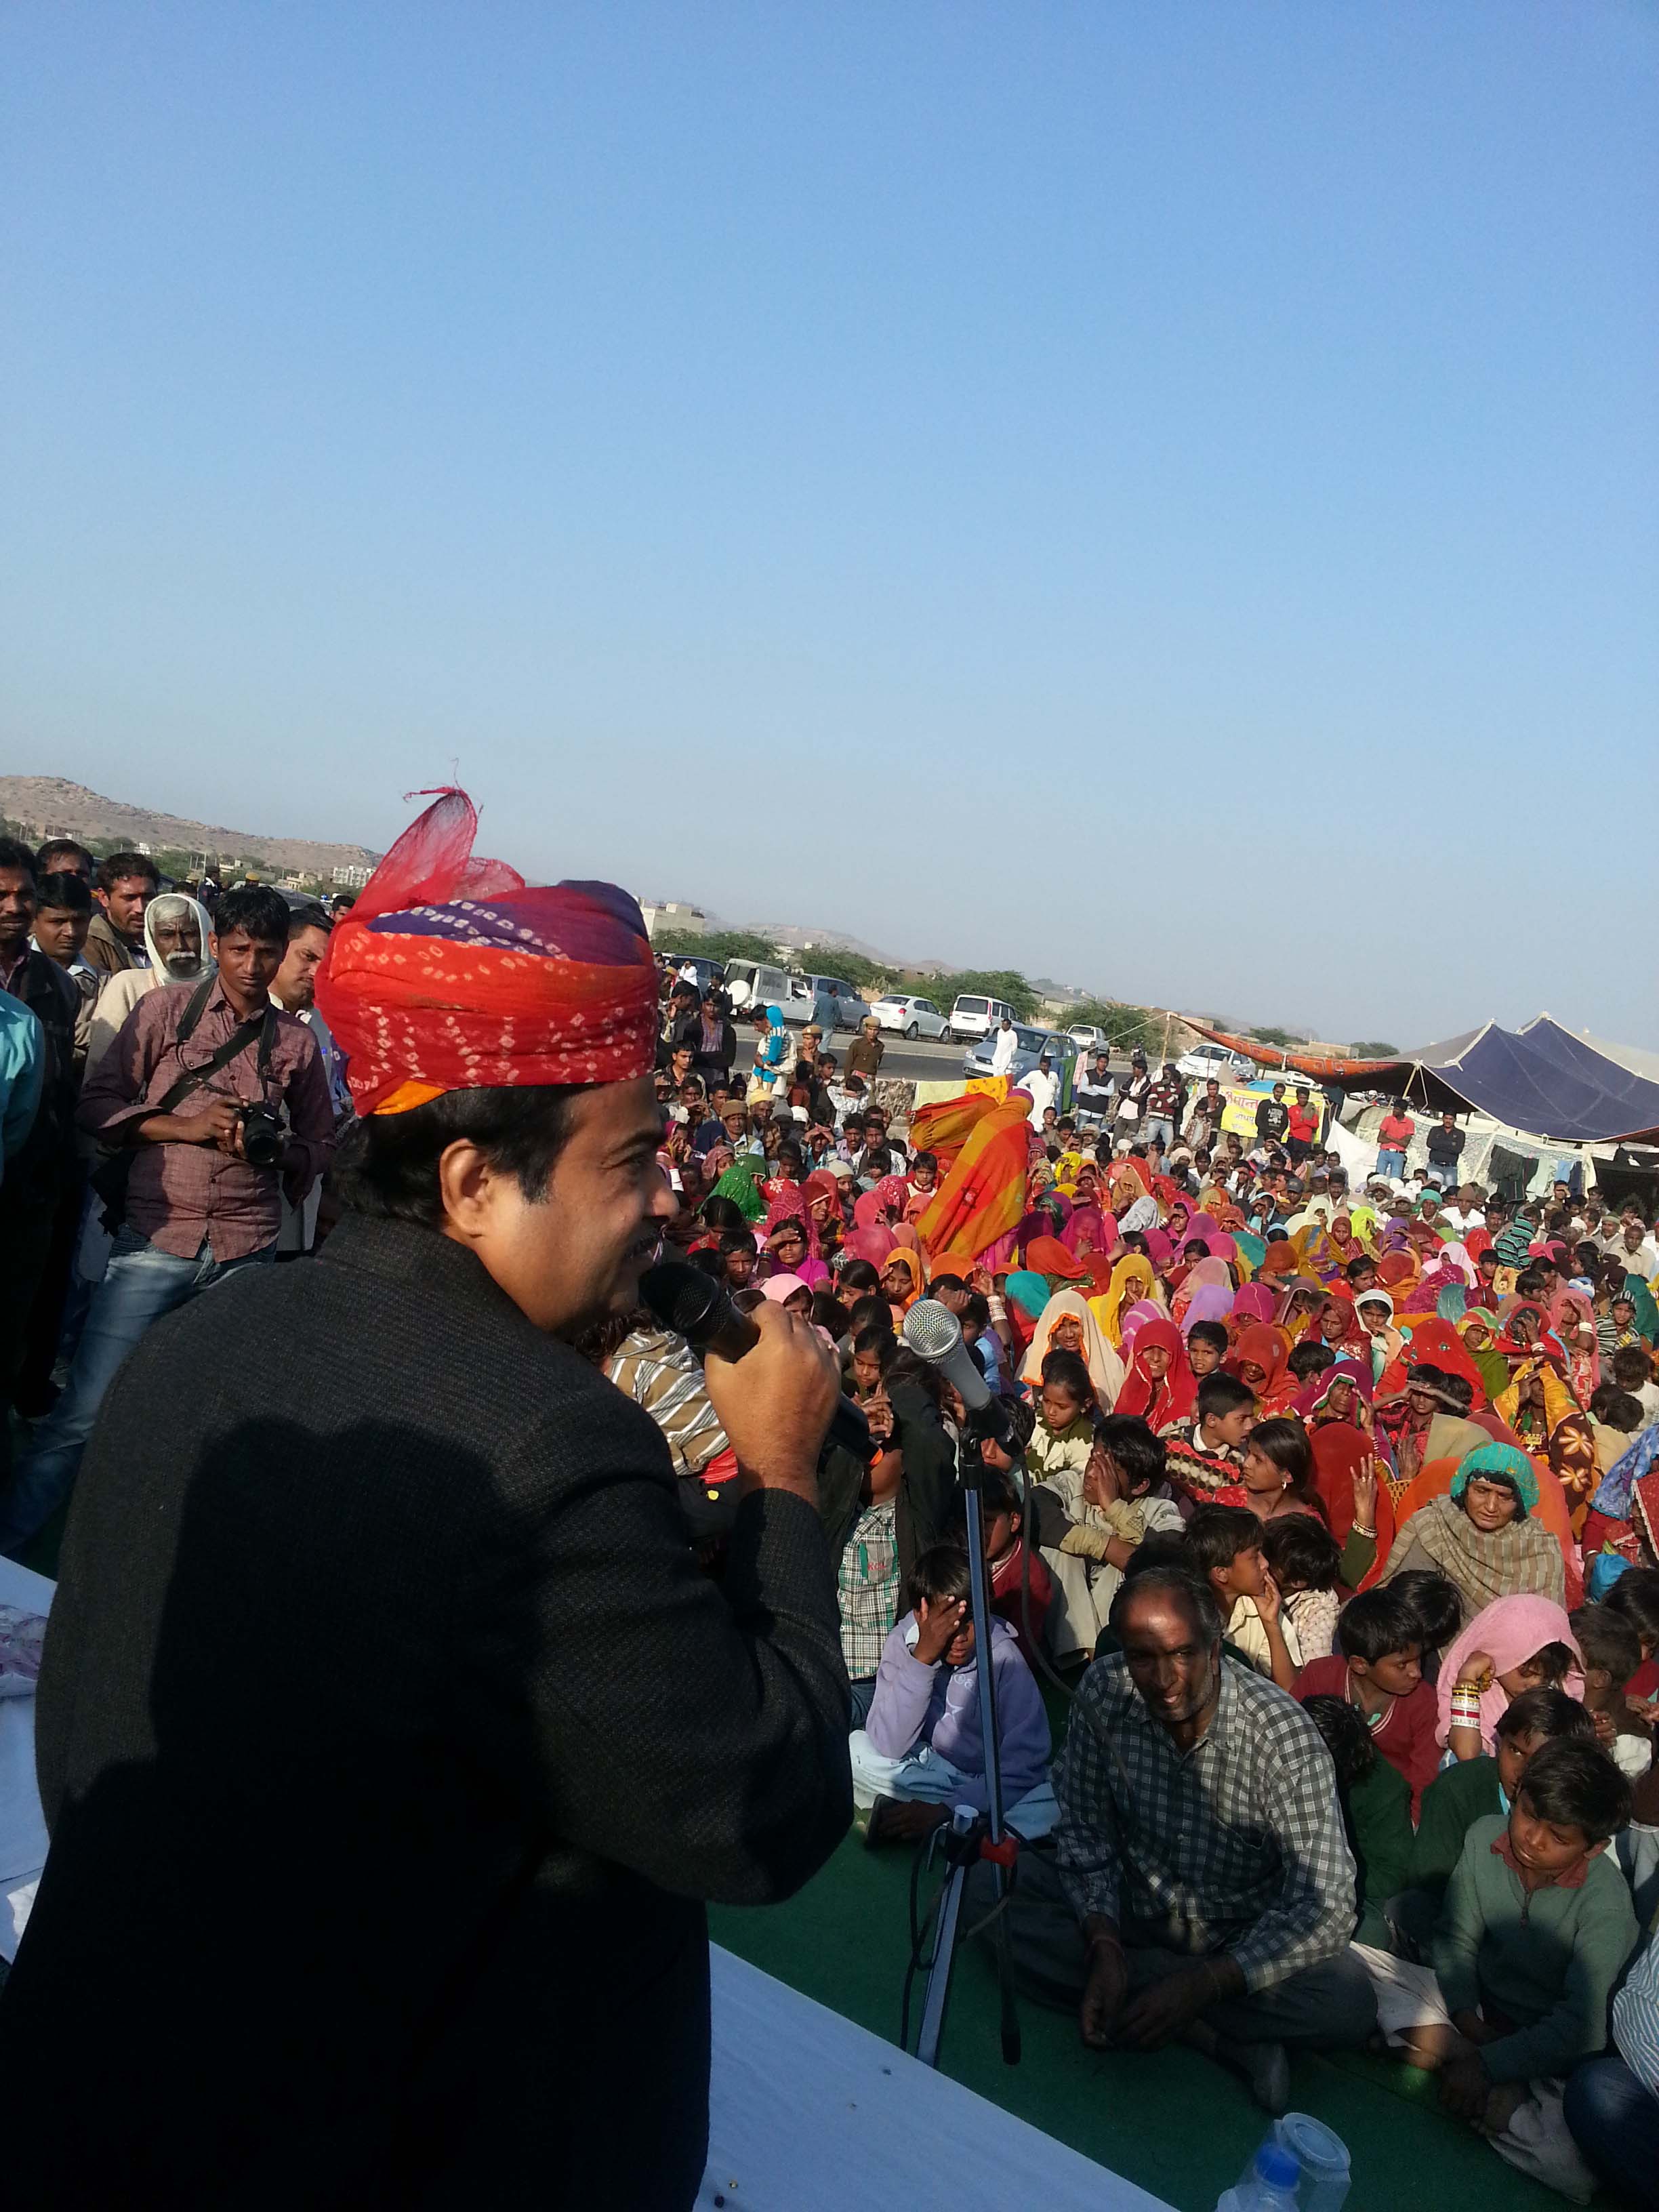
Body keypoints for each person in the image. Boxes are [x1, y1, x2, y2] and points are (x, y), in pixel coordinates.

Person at [0, 790, 852, 2209]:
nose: (665, 1205)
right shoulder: (551, 1452)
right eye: (633, 1161)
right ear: (470, 1183)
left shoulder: (208, 1335)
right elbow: (762, 1806)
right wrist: (782, 1473)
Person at [0, 886, 337, 1557]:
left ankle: (137, 1562)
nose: (252, 966)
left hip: (248, 1246)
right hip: (159, 1235)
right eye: (240, 949)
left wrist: (276, 1152)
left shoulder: (296, 1044)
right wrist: (185, 1127)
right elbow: (98, 1107)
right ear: (218, 945)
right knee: (84, 1412)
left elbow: (321, 1143)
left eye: (267, 954)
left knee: (200, 1420)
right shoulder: (165, 1012)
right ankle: (11, 1550)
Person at [991, 1565, 1375, 2116]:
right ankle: (1214, 2038)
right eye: (1142, 1657)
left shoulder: (1283, 1736)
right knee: (986, 1893)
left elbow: (1328, 1905)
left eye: (1182, 1654)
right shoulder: (1104, 1690)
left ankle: (1154, 1999)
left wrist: (1204, 1985)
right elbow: (1084, 1828)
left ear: (1215, 1649)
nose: (1164, 1677)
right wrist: (1102, 1940)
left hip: (1233, 1938)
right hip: (1130, 1904)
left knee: (1348, 2000)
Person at [1423, 1741, 1636, 2199]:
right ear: (1516, 1795)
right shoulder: (1484, 1835)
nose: (1531, 1838)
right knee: (1368, 1974)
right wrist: (1468, 2024)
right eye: (1527, 1813)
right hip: (1473, 2015)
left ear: (1595, 1848)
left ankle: (1444, 2062)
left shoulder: (1607, 1903)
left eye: (1558, 1837)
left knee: (1576, 2166)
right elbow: (1455, 1938)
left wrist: (1491, 2063)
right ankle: (1490, 2098)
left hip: (1548, 2054)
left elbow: (1582, 2026)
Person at [852, 1542, 1054, 1845]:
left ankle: (940, 1821)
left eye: (969, 1622)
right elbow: (888, 1745)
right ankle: (957, 1827)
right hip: (926, 1767)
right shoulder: (902, 1642)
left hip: (985, 1781)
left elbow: (1025, 1763)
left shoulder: (1004, 1659)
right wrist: (922, 1660)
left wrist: (949, 1808)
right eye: (946, 1627)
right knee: (856, 1749)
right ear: (921, 1617)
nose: (959, 1637)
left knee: (1049, 1802)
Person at [0, 838, 82, 1500]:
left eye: (24, 894)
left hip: (26, 1188)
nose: (15, 907)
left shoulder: (47, 993)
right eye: (1, 894)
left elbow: (33, 1109)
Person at [1379, 1441, 1565, 1622]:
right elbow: (1399, 1605)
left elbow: (1546, 1629)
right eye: (1482, 1491)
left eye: (1504, 1496)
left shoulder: (1540, 1549)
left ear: (1520, 1501)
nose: (1491, 1507)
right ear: (1464, 1488)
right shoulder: (1434, 1525)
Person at [1294, 1586, 1438, 1817]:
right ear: (1360, 1664)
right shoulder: (1319, 1677)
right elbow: (1290, 1738)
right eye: (1402, 1665)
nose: (1416, 1673)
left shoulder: (1423, 1703)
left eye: (1418, 1660)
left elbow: (1423, 1780)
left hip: (1387, 1814)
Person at [81, 849, 159, 979]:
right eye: (130, 898)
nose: (140, 908)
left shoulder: (166, 938)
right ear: (104, 898)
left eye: (148, 897)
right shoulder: (90, 943)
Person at [1374, 1098, 1416, 1181]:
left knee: (1395, 1179)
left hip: (1399, 1154)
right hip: (1384, 1151)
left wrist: (1390, 1137)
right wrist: (1399, 1140)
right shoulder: (1388, 1119)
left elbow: (1405, 1144)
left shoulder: (1410, 1123)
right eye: (1394, 1108)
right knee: (1379, 1176)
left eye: (1397, 1109)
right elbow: (1380, 1139)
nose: (1394, 1111)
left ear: (1403, 1111)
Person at [1426, 1111, 1465, 1191]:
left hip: (1450, 1168)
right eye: (1446, 1118)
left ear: (1455, 1120)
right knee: (1429, 1189)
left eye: (1451, 1119)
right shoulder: (1435, 1130)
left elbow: (1458, 1149)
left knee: (1451, 1191)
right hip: (1434, 1165)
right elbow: (1430, 1144)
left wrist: (1439, 1144)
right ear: (1443, 1119)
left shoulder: (1460, 1133)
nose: (1448, 1121)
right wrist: (1450, 1144)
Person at [1023, 1048, 1059, 1130]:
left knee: (1047, 1127)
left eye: (1046, 1066)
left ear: (1049, 1066)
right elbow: (1021, 1083)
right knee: (1034, 1126)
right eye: (1042, 1066)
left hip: (1048, 1106)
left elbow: (1057, 1088)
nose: (1044, 1068)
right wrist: (1030, 1093)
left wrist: (1053, 1098)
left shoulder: (1054, 1076)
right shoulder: (1034, 1074)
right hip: (1036, 1106)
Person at [1285, 1085, 1318, 1166]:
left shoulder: (1312, 1109)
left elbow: (1316, 1125)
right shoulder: (1292, 1109)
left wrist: (1303, 1121)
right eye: (1301, 1098)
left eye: (1305, 1098)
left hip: (1306, 1140)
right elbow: (1294, 1124)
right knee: (1291, 1161)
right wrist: (1307, 1123)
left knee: (1304, 1163)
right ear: (1297, 1097)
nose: (1303, 1100)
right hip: (1294, 1139)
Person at [1254, 1081, 1290, 1148]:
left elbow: (1285, 1123)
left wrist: (1280, 1133)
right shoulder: (1264, 1104)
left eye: (1281, 1093)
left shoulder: (1283, 1107)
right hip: (1263, 1136)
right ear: (1273, 1091)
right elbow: (1258, 1121)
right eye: (1277, 1092)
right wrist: (1269, 1131)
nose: (1279, 1094)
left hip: (1276, 1139)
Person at [989, 1011, 1020, 1080]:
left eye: (1005, 1025)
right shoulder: (1000, 1032)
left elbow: (1014, 1047)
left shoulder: (1013, 1034)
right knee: (995, 1072)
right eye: (1003, 1024)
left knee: (1001, 1072)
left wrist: (1009, 1053)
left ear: (1009, 1026)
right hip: (997, 1055)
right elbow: (999, 1043)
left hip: (1006, 1056)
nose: (1004, 1026)